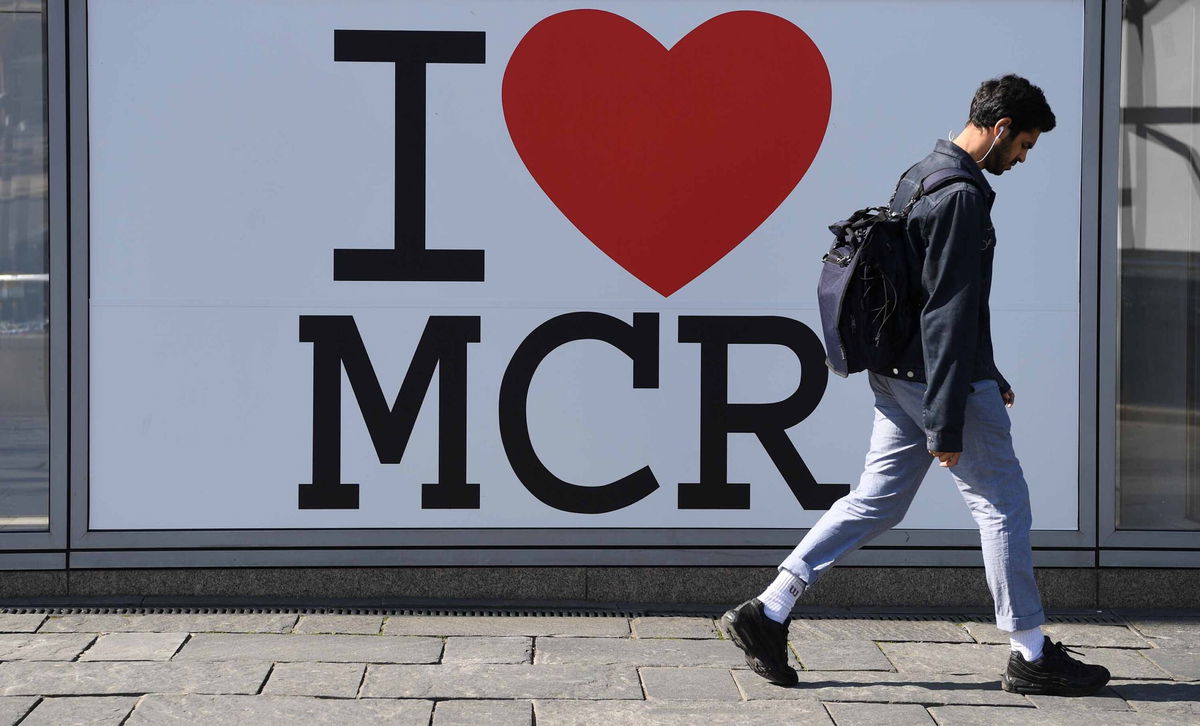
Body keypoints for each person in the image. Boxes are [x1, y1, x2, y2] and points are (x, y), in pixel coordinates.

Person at [720, 75, 1111, 697]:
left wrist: (987, 370)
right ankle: (1030, 652)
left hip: (899, 372)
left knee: (877, 501)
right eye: (1025, 145)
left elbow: (926, 294)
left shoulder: (921, 174)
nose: (1024, 158)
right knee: (1002, 503)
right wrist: (947, 417)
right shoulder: (960, 197)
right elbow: (947, 310)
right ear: (1001, 129)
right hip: (935, 379)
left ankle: (768, 609)